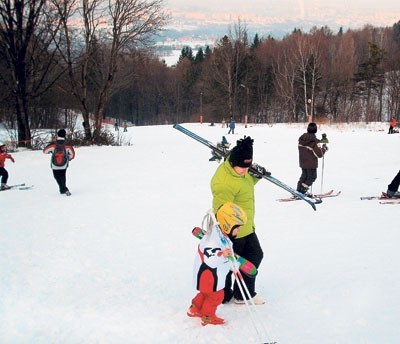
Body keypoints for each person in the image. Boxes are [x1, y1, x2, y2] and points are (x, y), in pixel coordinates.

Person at [211, 136, 268, 305]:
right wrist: (229, 232)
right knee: (230, 264)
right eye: (241, 167)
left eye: (247, 166)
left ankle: (241, 294)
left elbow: (245, 184)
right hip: (234, 231)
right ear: (233, 162)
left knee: (253, 257)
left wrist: (256, 176)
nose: (244, 170)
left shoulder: (238, 170)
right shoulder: (224, 183)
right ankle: (225, 293)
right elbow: (221, 210)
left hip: (247, 226)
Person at [188, 202, 247, 326]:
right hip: (209, 275)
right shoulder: (213, 239)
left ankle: (194, 308)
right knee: (217, 296)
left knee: (205, 294)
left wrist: (233, 265)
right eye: (237, 227)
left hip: (205, 276)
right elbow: (210, 257)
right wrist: (222, 254)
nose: (238, 230)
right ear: (227, 225)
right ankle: (208, 316)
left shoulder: (219, 235)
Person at [296, 122, 328, 196]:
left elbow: (309, 146)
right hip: (311, 164)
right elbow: (319, 154)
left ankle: (298, 190)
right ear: (315, 130)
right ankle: (302, 191)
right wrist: (324, 149)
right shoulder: (313, 141)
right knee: (312, 177)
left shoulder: (302, 139)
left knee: (304, 176)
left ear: (308, 129)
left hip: (303, 162)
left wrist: (319, 142)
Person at [43, 129, 75, 196]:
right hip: (64, 164)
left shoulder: (54, 144)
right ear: (65, 135)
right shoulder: (67, 144)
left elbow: (45, 151)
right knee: (63, 176)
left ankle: (64, 189)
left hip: (55, 165)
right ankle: (63, 189)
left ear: (57, 135)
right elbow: (72, 154)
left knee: (57, 177)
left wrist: (51, 152)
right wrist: (68, 158)